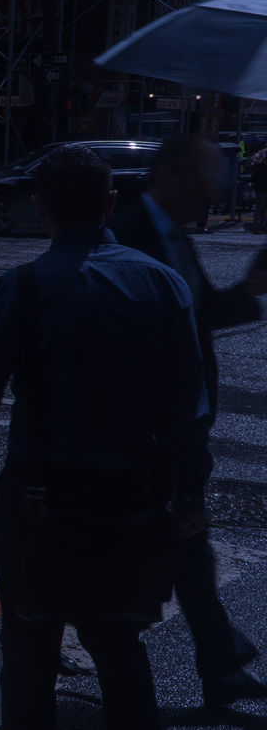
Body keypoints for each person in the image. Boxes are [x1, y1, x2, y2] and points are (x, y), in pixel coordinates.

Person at [0, 145, 212, 728]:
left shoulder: (24, 287)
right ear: (108, 204)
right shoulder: (163, 283)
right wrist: (189, 498)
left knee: (29, 647)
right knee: (117, 643)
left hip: (39, 500)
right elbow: (189, 410)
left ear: (38, 207)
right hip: (131, 496)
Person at [109, 132, 267, 708]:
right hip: (145, 433)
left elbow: (196, 319)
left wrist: (248, 288)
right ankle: (58, 640)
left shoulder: (177, 237)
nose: (216, 196)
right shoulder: (127, 237)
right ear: (170, 176)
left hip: (185, 428)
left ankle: (220, 667)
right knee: (153, 550)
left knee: (189, 545)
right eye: (207, 183)